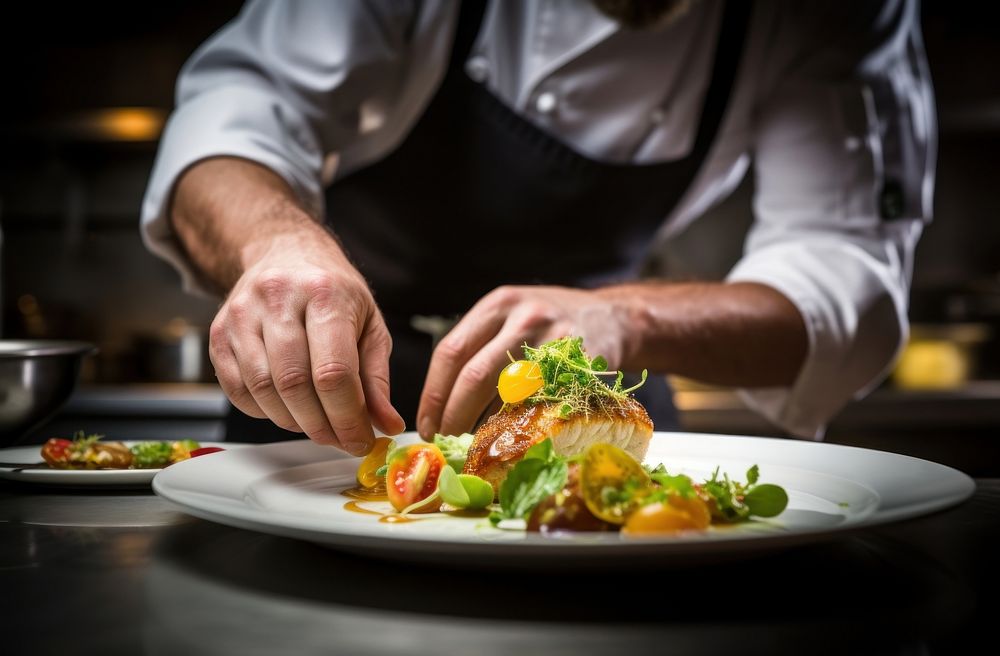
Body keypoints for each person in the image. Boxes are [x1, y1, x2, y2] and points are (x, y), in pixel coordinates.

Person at [141, 0, 935, 456]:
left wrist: (627, 318)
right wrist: (280, 246)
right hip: (321, 399)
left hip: (594, 400)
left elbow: (847, 273)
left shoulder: (840, 11)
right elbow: (231, 120)